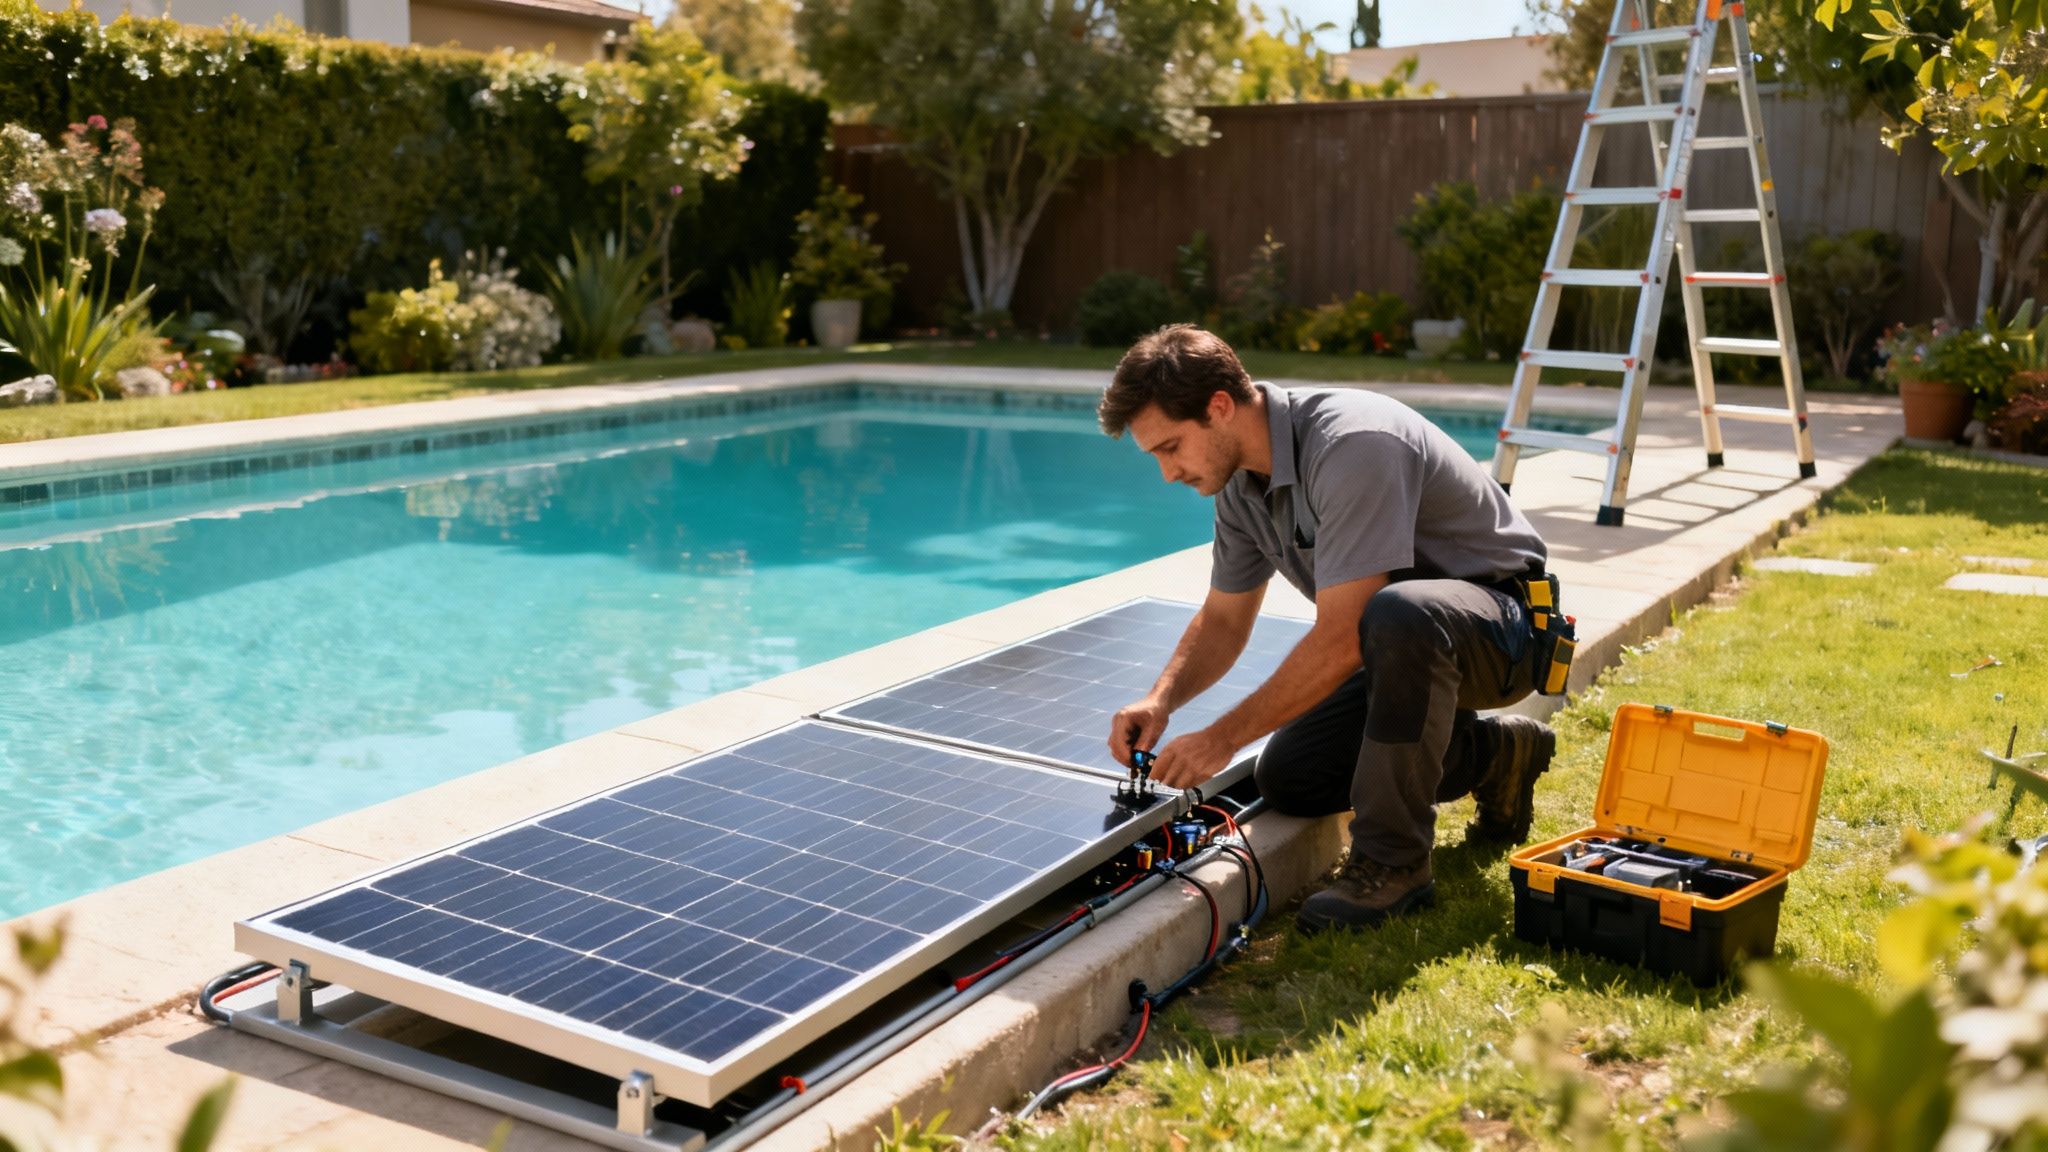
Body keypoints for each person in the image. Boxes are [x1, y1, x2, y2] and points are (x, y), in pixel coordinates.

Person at [1098, 325, 1559, 934]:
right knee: (1291, 776)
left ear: (1218, 407)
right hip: (1402, 648)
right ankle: (1496, 754)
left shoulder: (1351, 443)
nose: (1166, 472)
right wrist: (1162, 700)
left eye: (1171, 447)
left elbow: (1344, 635)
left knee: (1396, 611)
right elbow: (1224, 620)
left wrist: (1222, 737)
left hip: (1507, 627)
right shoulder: (1241, 490)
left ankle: (1392, 864)